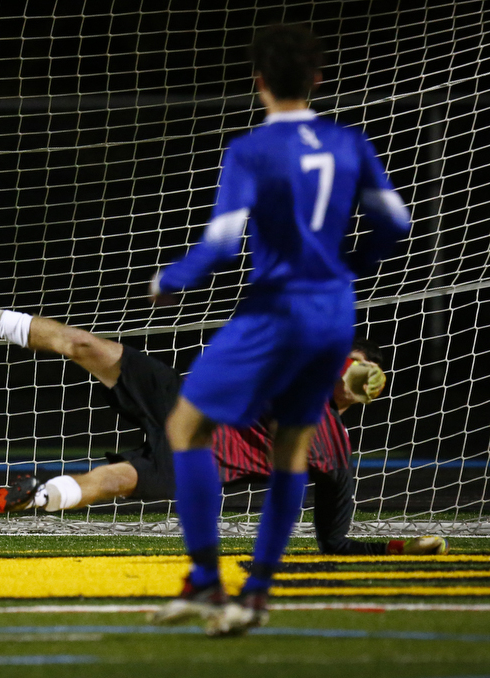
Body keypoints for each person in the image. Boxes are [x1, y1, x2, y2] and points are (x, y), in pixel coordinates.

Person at [147, 23, 412, 635]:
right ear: (317, 79)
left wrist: (173, 280)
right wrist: (352, 267)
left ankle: (209, 579)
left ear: (259, 81)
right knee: (294, 447)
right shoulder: (349, 142)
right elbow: (396, 221)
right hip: (332, 313)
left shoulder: (252, 151)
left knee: (186, 425)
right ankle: (258, 593)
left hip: (274, 308)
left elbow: (219, 245)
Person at [0, 268, 446, 563]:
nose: (359, 383)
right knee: (85, 345)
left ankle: (36, 497)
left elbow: (334, 543)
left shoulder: (334, 451)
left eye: (368, 380)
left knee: (119, 479)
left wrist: (398, 547)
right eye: (356, 367)